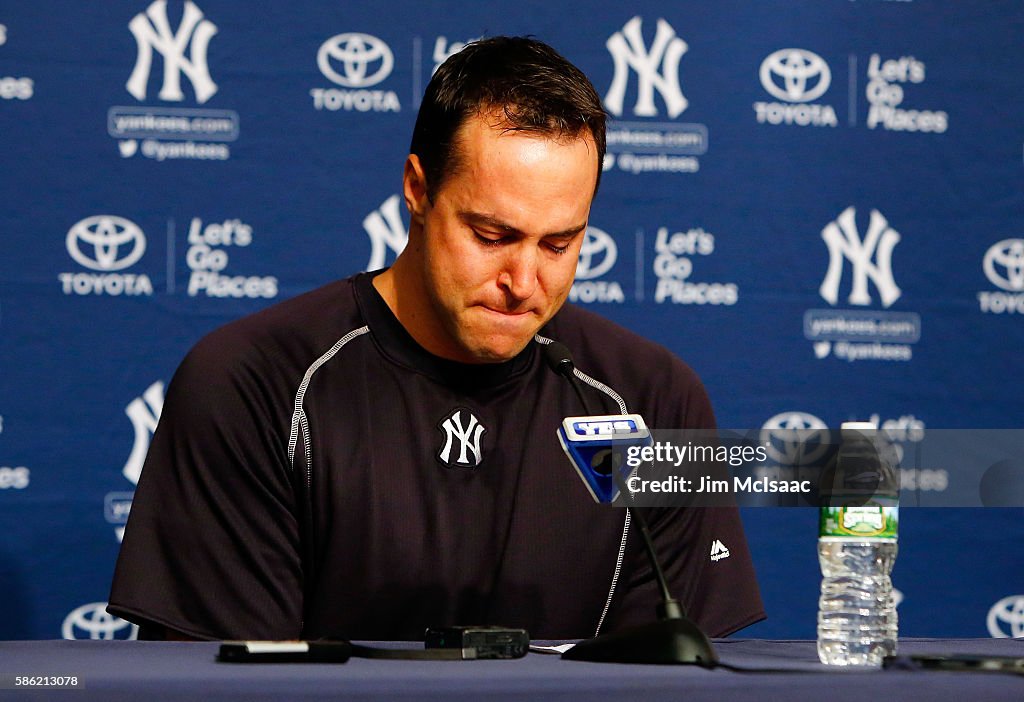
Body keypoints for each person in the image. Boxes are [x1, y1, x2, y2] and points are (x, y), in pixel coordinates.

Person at [108, 36, 764, 641]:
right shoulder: (252, 384)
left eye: (560, 244)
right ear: (418, 189)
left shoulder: (658, 403)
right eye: (492, 236)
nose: (524, 280)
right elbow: (231, 682)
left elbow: (674, 676)